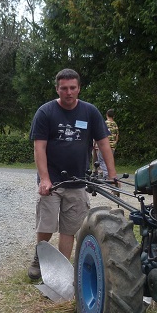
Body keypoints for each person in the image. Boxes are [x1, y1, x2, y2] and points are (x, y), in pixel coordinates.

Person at [28, 69, 116, 280]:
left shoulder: (90, 112)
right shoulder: (45, 112)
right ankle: (39, 257)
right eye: (64, 88)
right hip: (53, 181)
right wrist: (45, 178)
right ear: (57, 89)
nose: (68, 92)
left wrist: (111, 173)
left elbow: (103, 143)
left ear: (79, 88)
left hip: (78, 180)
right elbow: (39, 147)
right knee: (47, 225)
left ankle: (60, 270)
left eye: (72, 88)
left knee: (70, 229)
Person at [95, 109, 119, 178]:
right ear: (113, 116)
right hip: (113, 146)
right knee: (110, 161)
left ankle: (106, 175)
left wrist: (96, 144)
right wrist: (114, 143)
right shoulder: (115, 124)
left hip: (105, 146)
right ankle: (110, 174)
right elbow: (117, 136)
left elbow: (100, 134)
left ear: (106, 115)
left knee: (102, 160)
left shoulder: (104, 123)